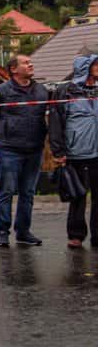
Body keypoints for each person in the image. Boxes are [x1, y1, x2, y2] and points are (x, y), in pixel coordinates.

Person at [0, 53, 49, 247]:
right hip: (10, 150)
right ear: (13, 69)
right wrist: (4, 136)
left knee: (28, 193)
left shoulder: (41, 91)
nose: (31, 65)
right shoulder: (1, 91)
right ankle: (2, 232)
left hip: (34, 149)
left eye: (30, 62)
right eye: (26, 63)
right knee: (6, 191)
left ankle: (23, 231)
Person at [48, 54, 98, 248]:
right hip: (77, 151)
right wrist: (58, 150)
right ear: (86, 67)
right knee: (77, 195)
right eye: (95, 64)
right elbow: (55, 122)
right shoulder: (66, 91)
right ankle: (76, 234)